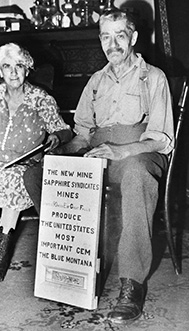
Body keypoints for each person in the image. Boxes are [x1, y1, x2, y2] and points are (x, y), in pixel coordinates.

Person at [23, 8, 174, 323]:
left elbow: (161, 141)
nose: (113, 43)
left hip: (140, 152)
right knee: (37, 174)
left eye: (120, 35)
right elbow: (82, 137)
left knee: (135, 175)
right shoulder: (95, 81)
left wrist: (121, 152)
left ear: (133, 37)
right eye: (106, 36)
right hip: (99, 153)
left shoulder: (154, 76)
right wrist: (58, 151)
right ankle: (78, 257)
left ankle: (131, 283)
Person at [0, 43, 73, 283]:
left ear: (27, 69)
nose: (13, 72)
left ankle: (2, 251)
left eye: (19, 66)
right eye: (7, 67)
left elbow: (65, 130)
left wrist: (56, 138)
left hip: (23, 163)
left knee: (12, 179)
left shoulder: (40, 99)